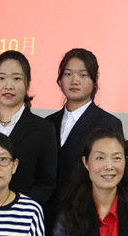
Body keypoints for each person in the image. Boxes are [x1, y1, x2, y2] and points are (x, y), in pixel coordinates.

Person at [0, 50, 57, 207]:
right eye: (1, 78)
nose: (8, 86)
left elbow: (46, 183)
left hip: (22, 214)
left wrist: (17, 209)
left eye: (16, 78)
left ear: (28, 83)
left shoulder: (43, 129)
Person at [44, 48, 122, 206]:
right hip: (48, 210)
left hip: (86, 209)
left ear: (94, 80)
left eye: (83, 75)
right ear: (60, 80)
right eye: (68, 74)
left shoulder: (108, 123)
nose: (74, 80)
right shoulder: (48, 123)